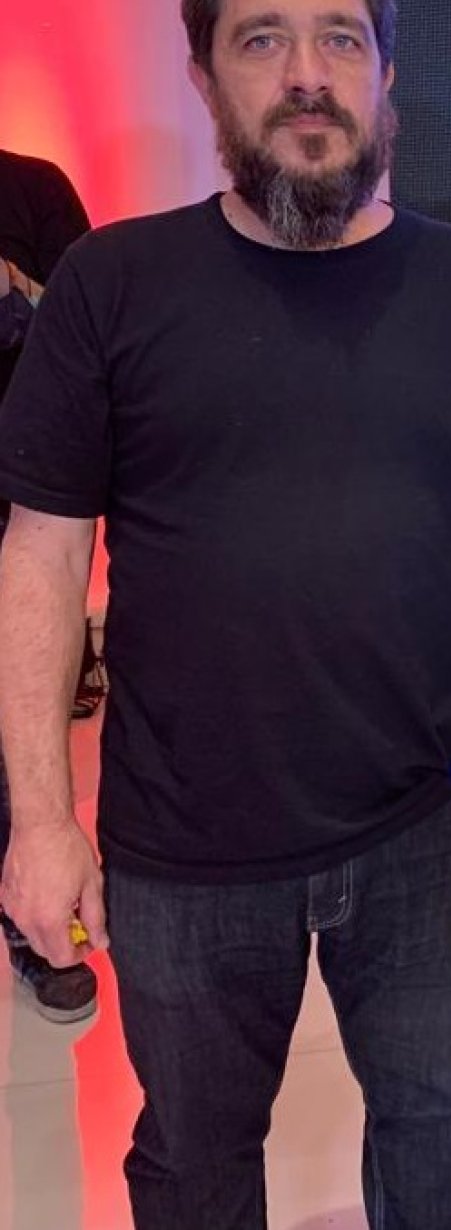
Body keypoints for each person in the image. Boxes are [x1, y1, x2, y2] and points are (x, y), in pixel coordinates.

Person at [0, 0, 451, 1230]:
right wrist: (39, 817)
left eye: (339, 39)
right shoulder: (110, 283)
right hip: (183, 840)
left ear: (386, 74)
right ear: (206, 74)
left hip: (432, 816)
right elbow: (41, 551)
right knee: (195, 1156)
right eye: (263, 40)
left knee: (432, 1120)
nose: (307, 74)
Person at [0, 146, 101, 1024]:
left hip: (17, 501)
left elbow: (86, 344)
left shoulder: (32, 190)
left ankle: (34, 924)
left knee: (15, 723)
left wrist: (14, 287)